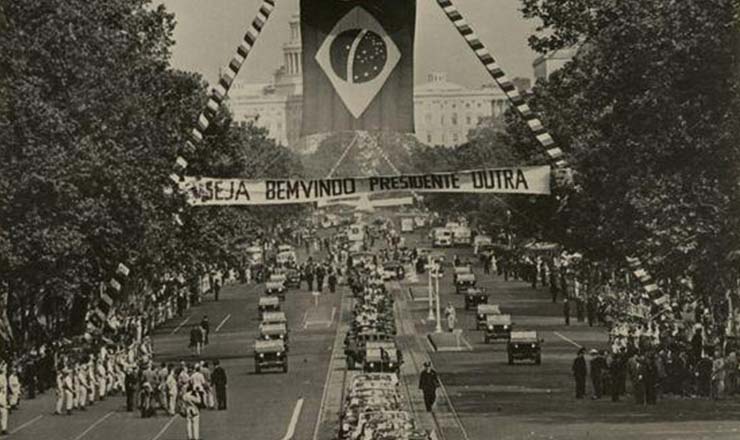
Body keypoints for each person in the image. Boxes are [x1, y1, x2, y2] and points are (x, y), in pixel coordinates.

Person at [0, 362, 8, 435]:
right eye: (5, 368)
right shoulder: (1, 377)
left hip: (3, 397)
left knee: (4, 412)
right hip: (0, 397)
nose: (6, 370)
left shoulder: (4, 377)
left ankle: (4, 429)